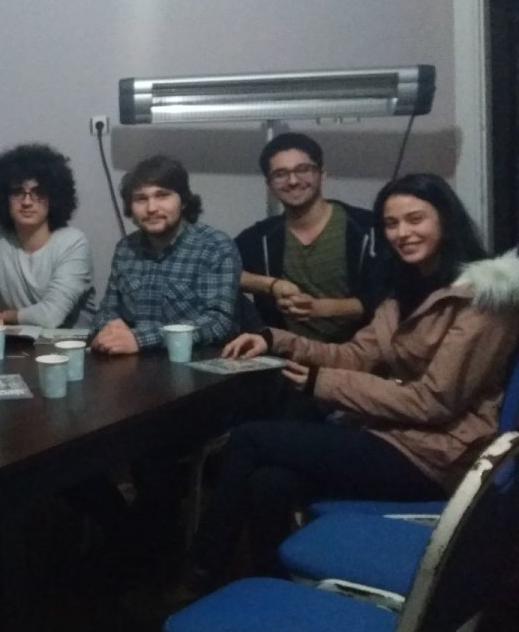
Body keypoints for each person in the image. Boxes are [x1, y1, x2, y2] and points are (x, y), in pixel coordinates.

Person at [189, 174, 519, 585]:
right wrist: (274, 339)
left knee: (250, 438)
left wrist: (321, 383)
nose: (402, 233)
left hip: (438, 455)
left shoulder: (485, 299)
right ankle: (271, 586)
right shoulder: (404, 290)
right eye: (391, 224)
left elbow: (433, 401)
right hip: (392, 433)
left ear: (446, 220)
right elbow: (356, 355)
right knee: (268, 482)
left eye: (415, 219)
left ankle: (201, 570)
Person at [91, 155, 239, 355]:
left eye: (162, 196)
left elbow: (218, 322)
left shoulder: (214, 246)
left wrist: (139, 339)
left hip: (194, 364)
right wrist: (108, 328)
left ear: (183, 201)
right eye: (141, 199)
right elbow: (108, 310)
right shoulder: (126, 248)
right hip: (131, 362)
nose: (151, 208)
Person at [236, 133, 376, 341]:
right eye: (280, 174)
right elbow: (220, 271)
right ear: (270, 185)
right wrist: (271, 285)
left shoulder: (367, 229)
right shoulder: (260, 237)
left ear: (322, 175)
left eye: (303, 170)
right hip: (282, 355)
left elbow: (389, 300)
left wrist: (323, 308)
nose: (293, 181)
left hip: (357, 354)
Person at [0, 143, 95, 328]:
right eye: (17, 192)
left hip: (71, 340)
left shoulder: (73, 243)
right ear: (4, 197)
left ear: (54, 197)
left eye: (38, 193)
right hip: (22, 340)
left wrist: (4, 316)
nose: (27, 202)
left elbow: (50, 316)